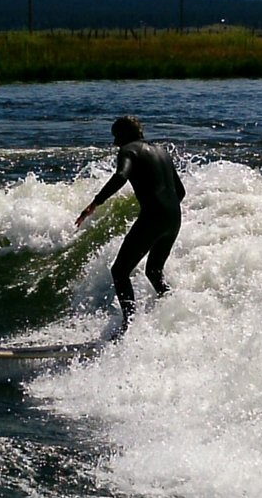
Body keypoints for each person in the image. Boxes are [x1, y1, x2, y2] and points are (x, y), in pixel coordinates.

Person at [75, 116, 186, 337]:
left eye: (116, 136)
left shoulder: (128, 151)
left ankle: (129, 327)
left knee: (119, 271)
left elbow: (121, 176)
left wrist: (95, 203)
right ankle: (176, 314)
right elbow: (180, 191)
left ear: (124, 135)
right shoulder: (162, 151)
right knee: (154, 271)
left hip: (153, 217)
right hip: (174, 218)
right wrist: (164, 210)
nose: (115, 142)